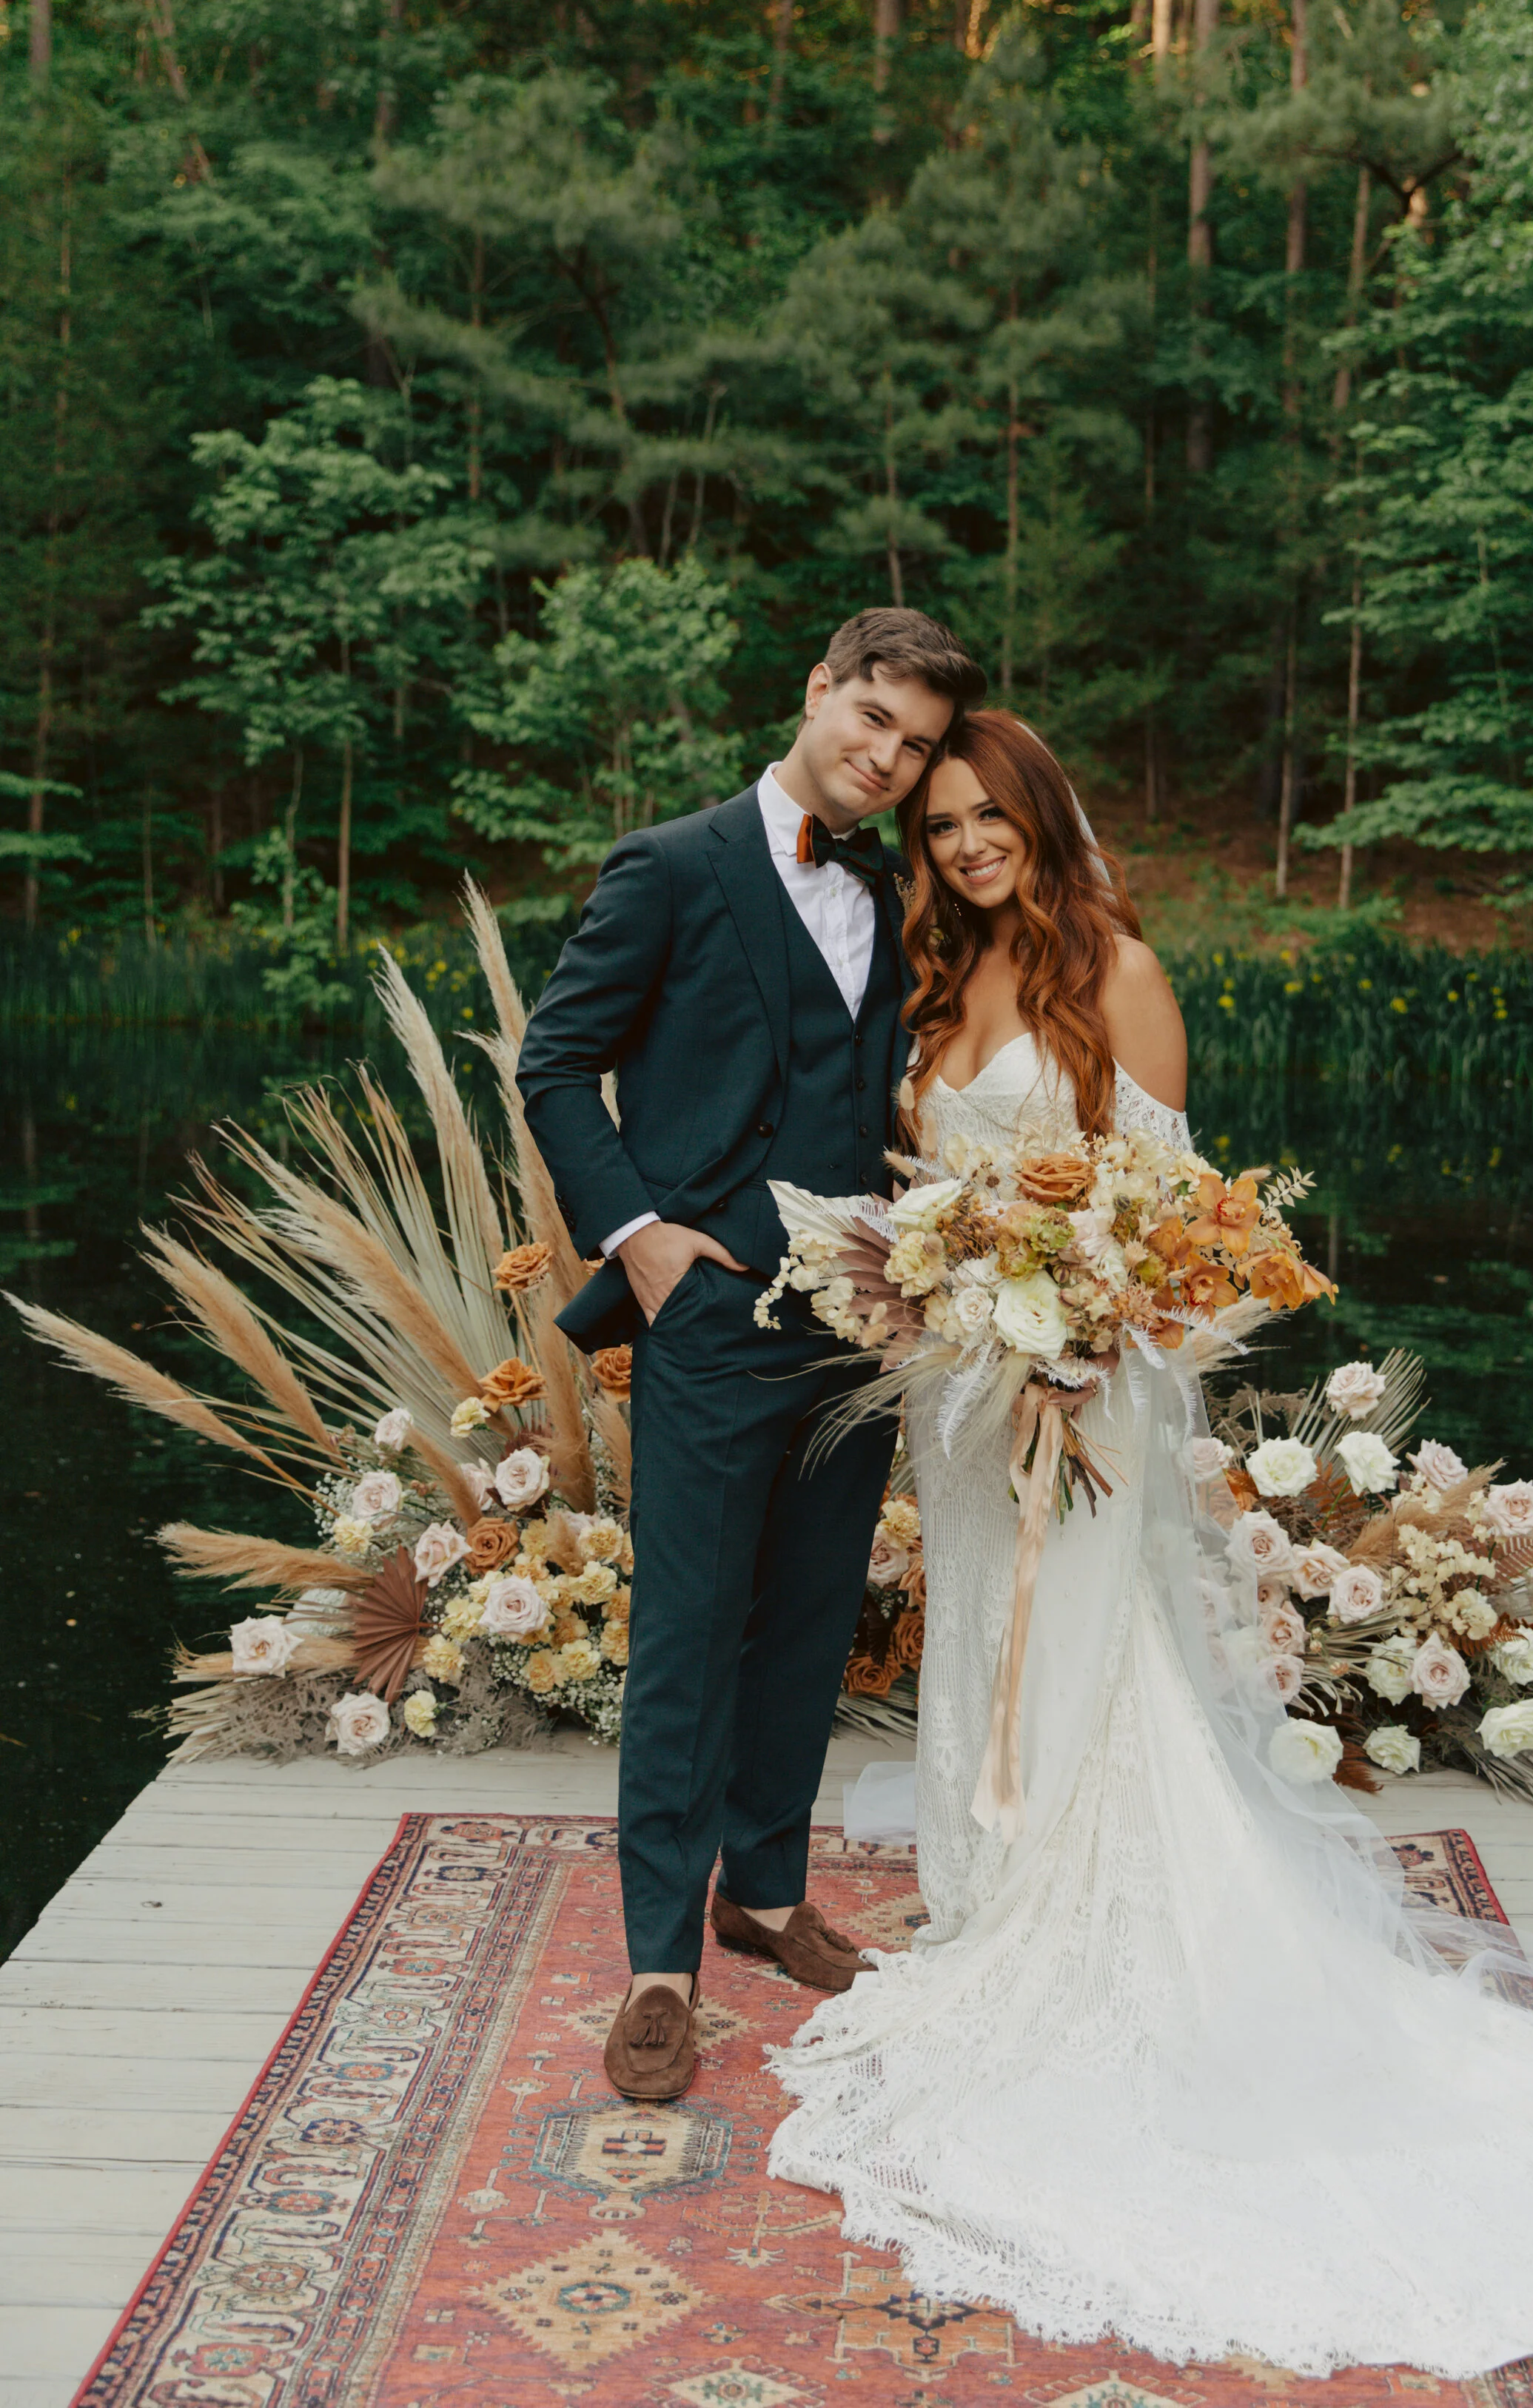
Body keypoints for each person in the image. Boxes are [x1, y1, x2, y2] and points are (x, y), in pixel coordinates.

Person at [765, 705, 1533, 2379]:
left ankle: (1082, 1935)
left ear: (1037, 810)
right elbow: (917, 1191)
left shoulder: (1119, 975)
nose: (959, 843)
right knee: (979, 1639)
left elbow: (1186, 1237)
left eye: (982, 816)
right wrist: (945, 1295)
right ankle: (989, 1905)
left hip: (1082, 1401)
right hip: (962, 1401)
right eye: (937, 823)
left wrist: (1085, 1341)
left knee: (1095, 1672)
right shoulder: (932, 980)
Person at [516, 606, 985, 2104]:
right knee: (687, 1639)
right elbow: (553, 1061)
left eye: (912, 746)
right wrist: (637, 1236)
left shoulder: (892, 891)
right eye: (870, 719)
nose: (883, 756)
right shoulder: (673, 865)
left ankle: (763, 1895)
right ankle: (661, 1962)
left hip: (854, 1327)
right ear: (817, 691)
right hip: (709, 1316)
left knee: (806, 1625)